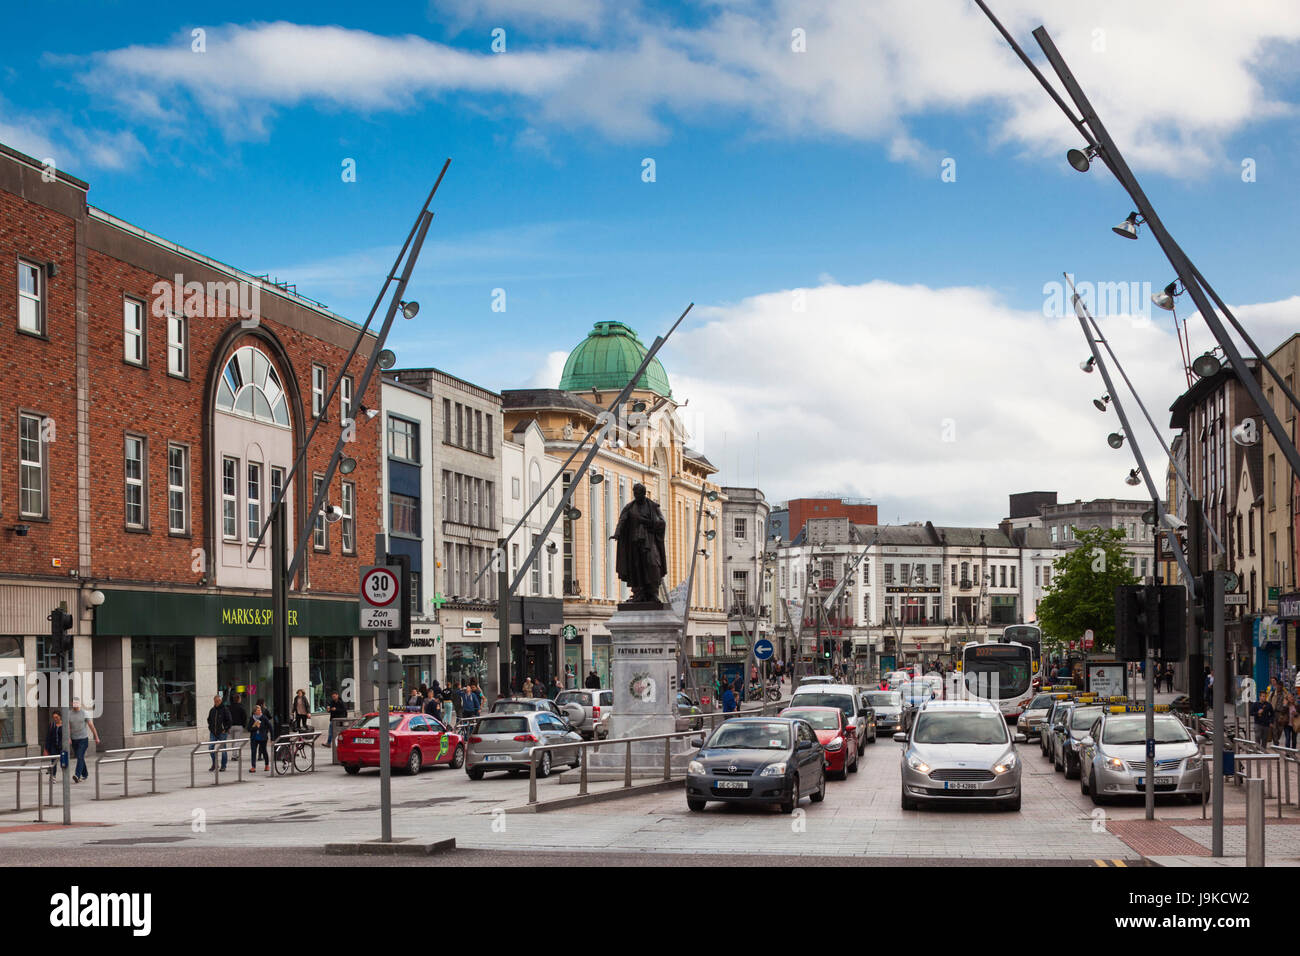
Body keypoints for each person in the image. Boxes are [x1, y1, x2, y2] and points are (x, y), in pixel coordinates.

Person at [66, 697, 100, 784]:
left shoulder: (84, 713)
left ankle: (77, 775)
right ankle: (85, 774)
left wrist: (96, 737)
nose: (75, 705)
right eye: (73, 703)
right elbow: (68, 727)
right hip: (74, 739)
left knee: (80, 756)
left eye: (76, 703)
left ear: (79, 703)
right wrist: (69, 737)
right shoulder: (69, 714)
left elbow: (91, 725)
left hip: (83, 739)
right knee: (79, 757)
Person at [206, 694, 232, 772]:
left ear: (220, 701)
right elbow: (209, 720)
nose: (216, 703)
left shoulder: (225, 709)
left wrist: (225, 729)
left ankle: (223, 766)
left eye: (217, 701)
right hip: (213, 732)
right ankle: (215, 763)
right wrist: (210, 728)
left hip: (222, 733)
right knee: (210, 748)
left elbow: (230, 721)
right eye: (215, 701)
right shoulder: (212, 710)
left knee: (223, 750)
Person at [248, 704, 271, 772]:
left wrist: (272, 738)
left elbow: (270, 727)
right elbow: (249, 728)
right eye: (258, 710)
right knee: (253, 752)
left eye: (260, 710)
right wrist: (255, 727)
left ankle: (267, 765)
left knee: (264, 752)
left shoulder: (264, 718)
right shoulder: (252, 718)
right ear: (254, 712)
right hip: (254, 738)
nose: (260, 711)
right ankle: (253, 766)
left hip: (262, 738)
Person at [43, 711, 64, 781]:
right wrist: (46, 749)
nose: (55, 719)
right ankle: (53, 776)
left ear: (60, 717)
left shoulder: (64, 725)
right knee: (53, 761)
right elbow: (48, 737)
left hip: (62, 747)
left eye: (56, 717)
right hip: (53, 746)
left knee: (63, 762)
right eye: (54, 717)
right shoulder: (52, 725)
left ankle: (65, 776)